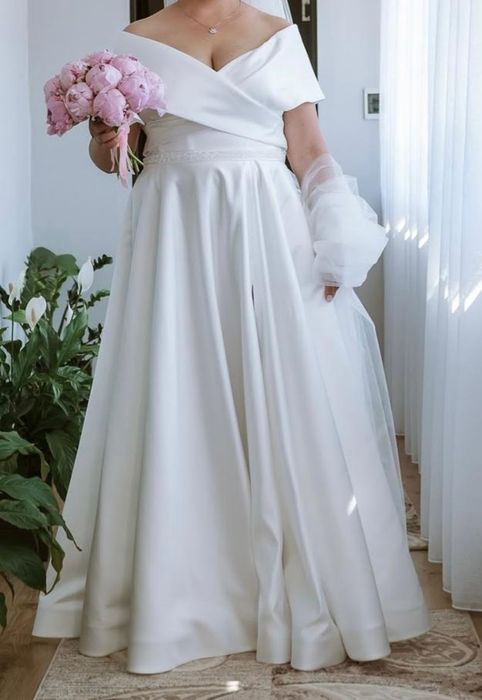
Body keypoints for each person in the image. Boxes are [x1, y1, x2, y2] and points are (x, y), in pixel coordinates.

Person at [32, 0, 432, 675]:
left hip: (266, 230)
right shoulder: (136, 38)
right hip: (172, 228)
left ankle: (296, 582)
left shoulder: (278, 35)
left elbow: (309, 149)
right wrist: (104, 138)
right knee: (176, 390)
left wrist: (336, 237)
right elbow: (121, 156)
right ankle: (179, 593)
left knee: (281, 393)